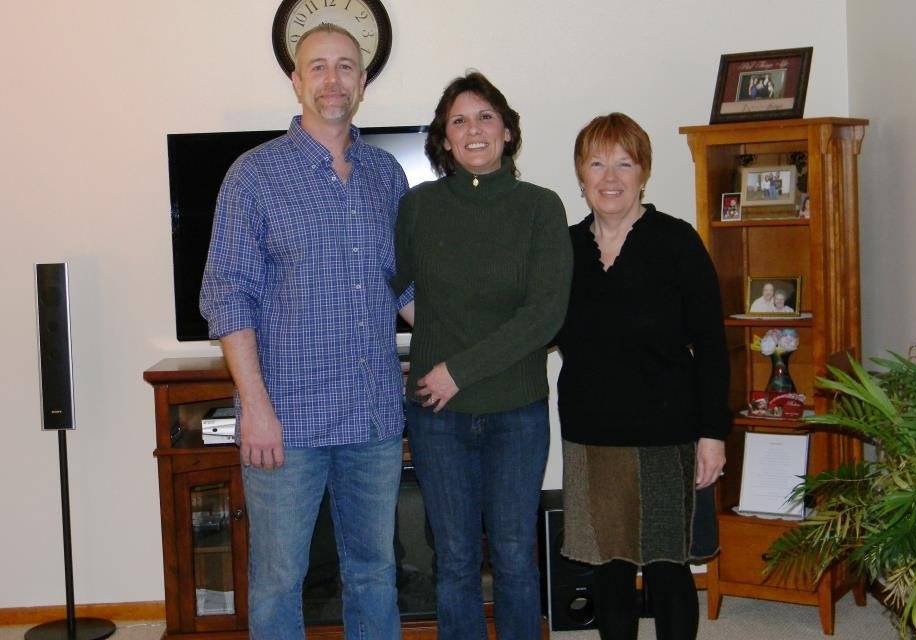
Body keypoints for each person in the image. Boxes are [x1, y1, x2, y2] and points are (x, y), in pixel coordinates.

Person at [199, 24, 411, 640]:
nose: (332, 80)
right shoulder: (254, 176)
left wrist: (472, 346)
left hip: (372, 416)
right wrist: (255, 408)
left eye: (346, 66)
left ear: (363, 81)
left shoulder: (386, 177)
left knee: (375, 573)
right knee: (277, 580)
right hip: (285, 417)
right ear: (296, 80)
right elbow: (226, 293)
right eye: (317, 67)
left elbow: (403, 287)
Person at [392, 71, 573, 639]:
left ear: (508, 131)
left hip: (515, 411)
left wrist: (457, 368)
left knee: (517, 556)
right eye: (459, 121)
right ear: (444, 140)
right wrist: (432, 337)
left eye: (486, 117)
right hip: (437, 416)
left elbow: (546, 315)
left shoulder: (541, 208)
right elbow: (391, 283)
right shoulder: (418, 206)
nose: (474, 130)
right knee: (454, 560)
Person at [555, 113, 730, 640]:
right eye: (597, 163)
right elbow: (528, 325)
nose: (611, 177)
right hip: (593, 437)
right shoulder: (562, 250)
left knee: (666, 568)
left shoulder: (676, 242)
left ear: (644, 172)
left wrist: (713, 433)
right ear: (581, 175)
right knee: (609, 570)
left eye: (624, 163)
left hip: (666, 436)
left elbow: (714, 346)